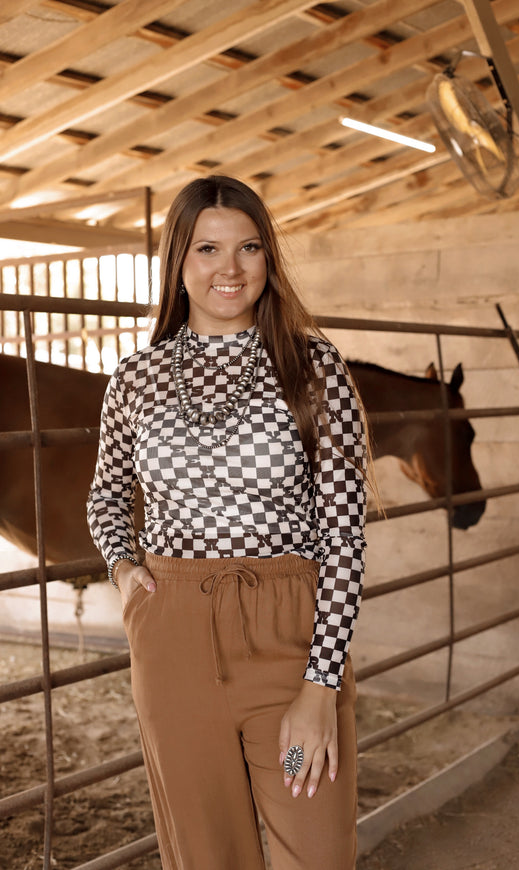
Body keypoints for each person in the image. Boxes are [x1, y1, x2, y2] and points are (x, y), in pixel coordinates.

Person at [87, 174, 367, 870]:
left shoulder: (313, 367)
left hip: (288, 642)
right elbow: (105, 497)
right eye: (208, 249)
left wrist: (319, 686)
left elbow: (343, 535)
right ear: (179, 261)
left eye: (248, 248)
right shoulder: (135, 378)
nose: (229, 269)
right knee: (206, 856)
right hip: (174, 640)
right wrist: (124, 570)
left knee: (319, 851)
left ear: (267, 258)